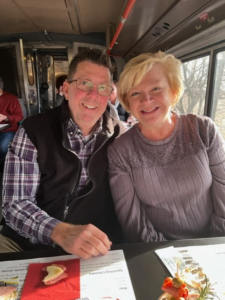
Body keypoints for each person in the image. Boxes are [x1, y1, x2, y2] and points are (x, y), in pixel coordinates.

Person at [0, 49, 125, 257]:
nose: (93, 95)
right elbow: (15, 204)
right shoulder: (34, 131)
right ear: (66, 89)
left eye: (103, 88)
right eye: (84, 83)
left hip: (94, 246)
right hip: (27, 242)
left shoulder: (121, 136)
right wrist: (59, 232)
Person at [108, 51, 225, 243]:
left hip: (213, 243)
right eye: (135, 93)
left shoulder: (204, 130)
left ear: (173, 91)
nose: (146, 100)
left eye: (155, 89)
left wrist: (211, 245)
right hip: (156, 251)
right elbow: (133, 222)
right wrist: (168, 255)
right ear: (128, 101)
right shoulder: (120, 151)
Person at [0, 77, 23, 169]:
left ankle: (3, 166)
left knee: (3, 147)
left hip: (8, 130)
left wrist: (6, 117)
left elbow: (20, 116)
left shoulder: (10, 98)